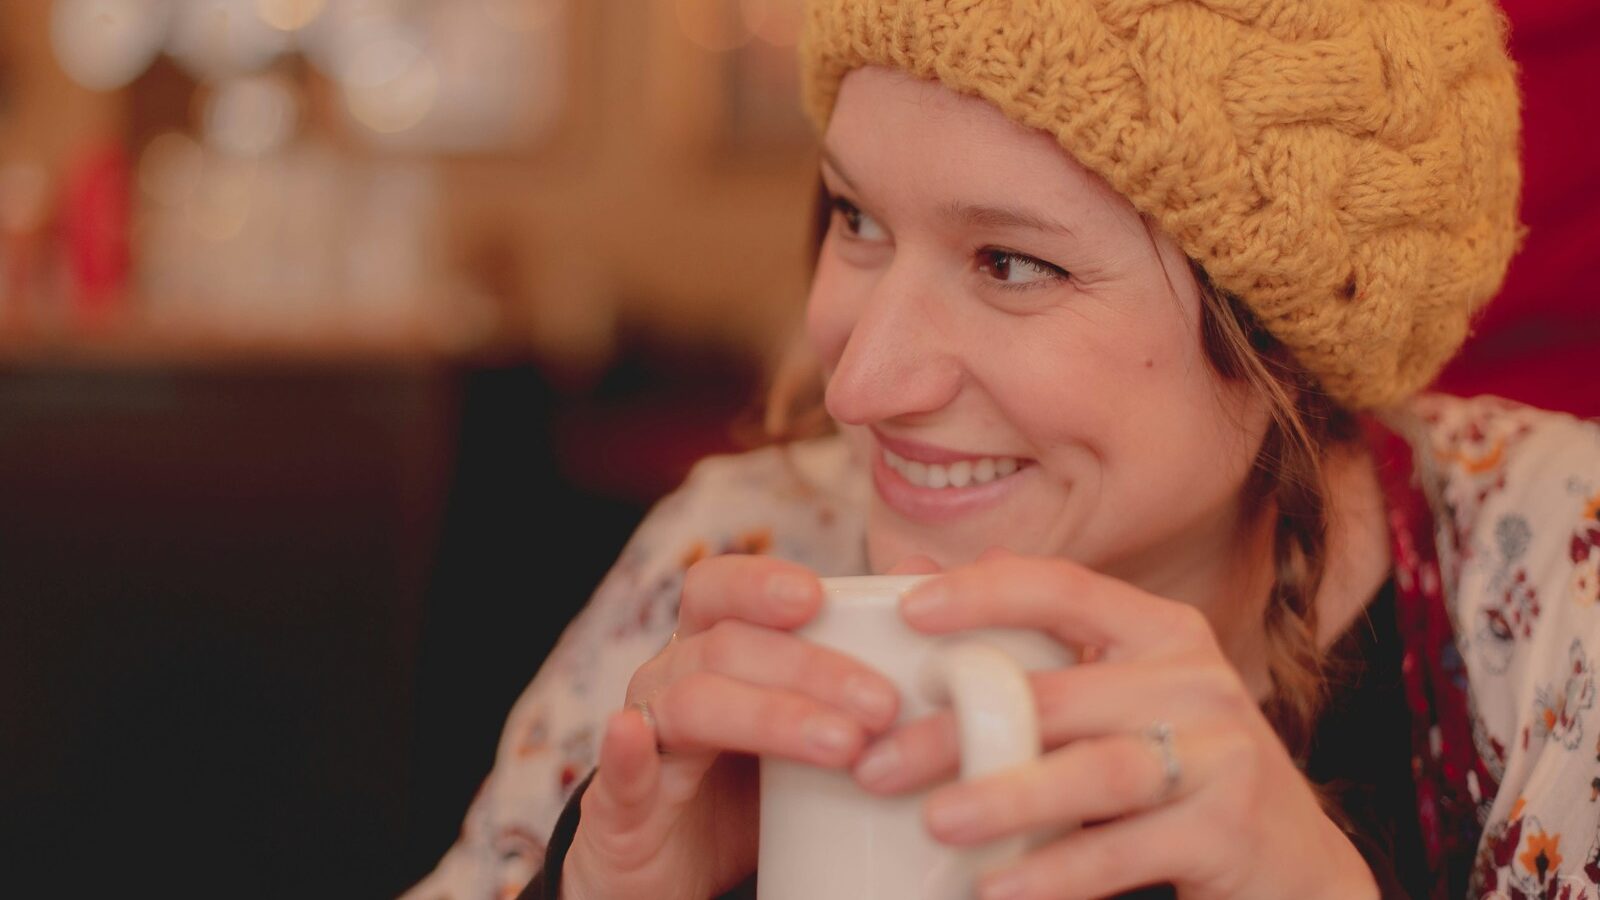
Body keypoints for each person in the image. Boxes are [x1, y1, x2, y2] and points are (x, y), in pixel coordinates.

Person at [406, 1, 1600, 898]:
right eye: (856, 218)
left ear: (1287, 338)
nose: (860, 386)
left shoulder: (1561, 586)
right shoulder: (736, 548)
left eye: (1011, 264)